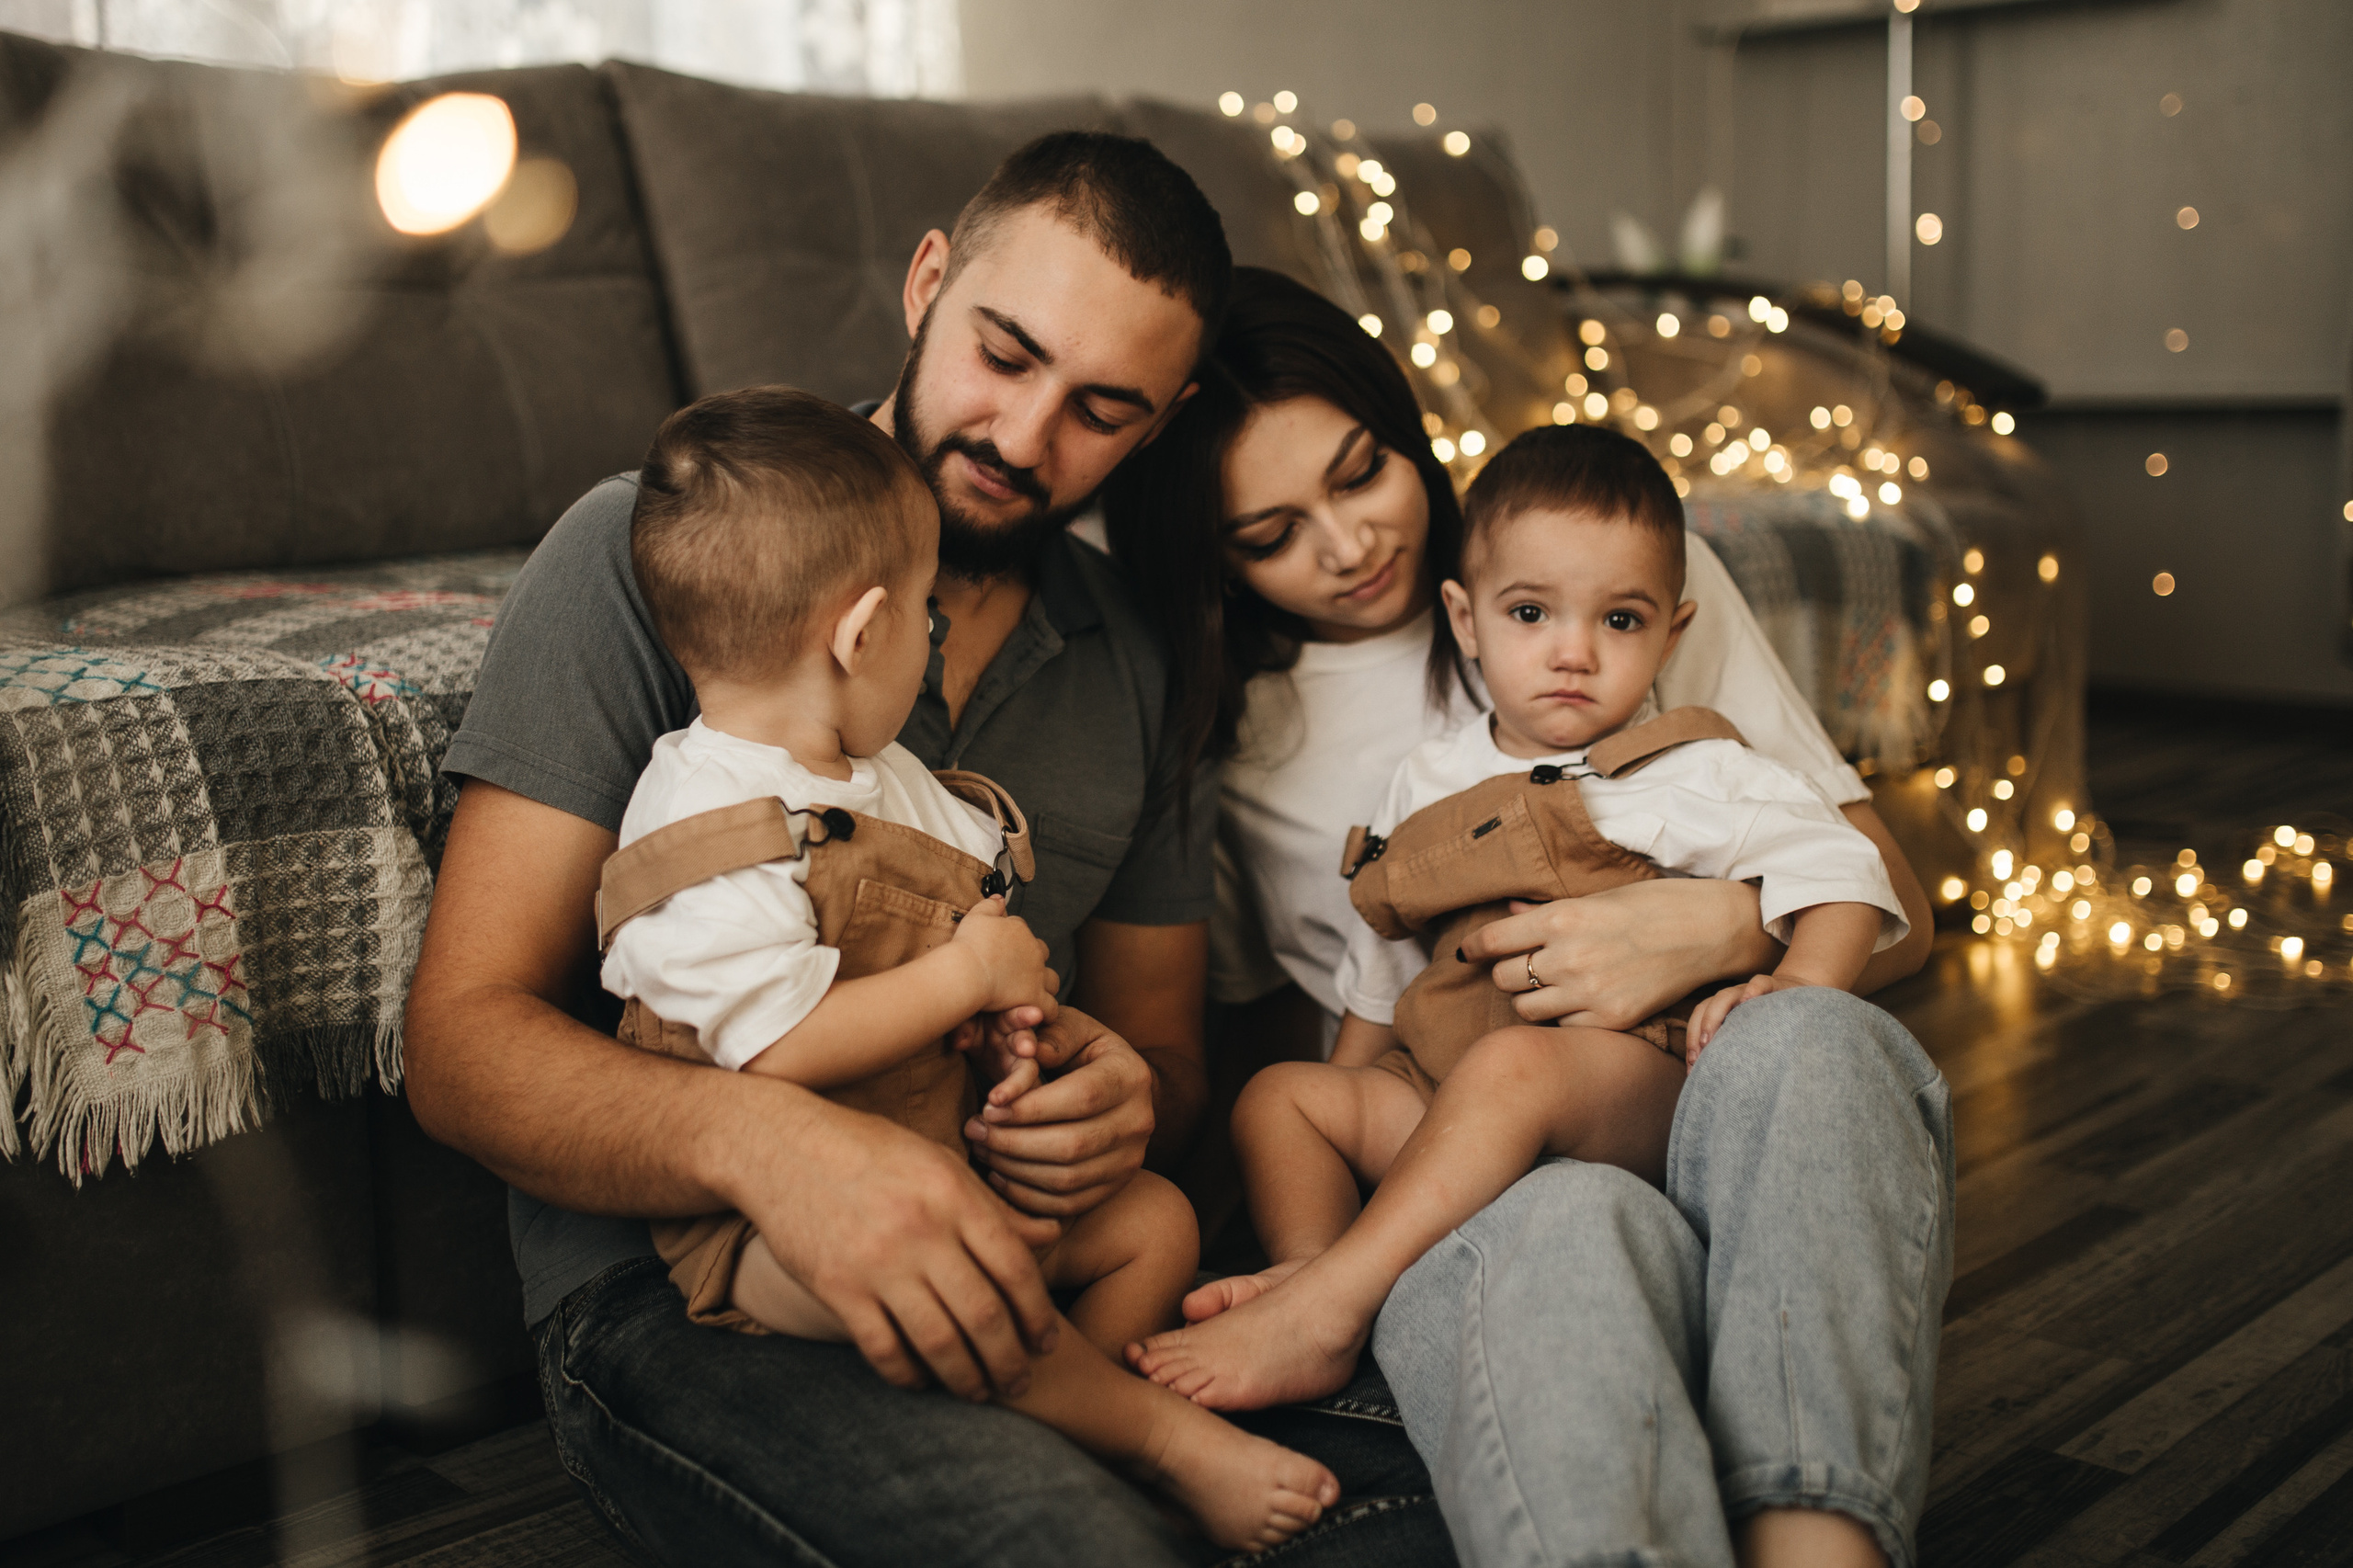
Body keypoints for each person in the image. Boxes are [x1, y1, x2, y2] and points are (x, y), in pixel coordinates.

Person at [404, 138, 1450, 1566]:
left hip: (1023, 1247)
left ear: (1167, 418)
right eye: (1003, 354)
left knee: (1428, 1518)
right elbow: (462, 1046)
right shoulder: (655, 550)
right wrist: (773, 1147)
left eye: (1100, 408)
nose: (1023, 438)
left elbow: (1162, 1053)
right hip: (694, 1293)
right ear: (927, 282)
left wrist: (1116, 1099)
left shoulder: (1136, 652)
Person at [1105, 268, 1952, 1568]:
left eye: (1362, 470)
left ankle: (1813, 1540)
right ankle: (1328, 1288)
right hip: (1460, 1180)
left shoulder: (1615, 580)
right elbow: (1344, 987)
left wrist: (1726, 935)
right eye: (1269, 534)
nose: (1348, 545)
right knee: (1388, 1136)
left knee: (1815, 1046)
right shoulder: (1232, 724)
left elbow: (1878, 894)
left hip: (1660, 1094)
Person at [596, 385, 1338, 1551]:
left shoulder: (891, 782)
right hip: (776, 1232)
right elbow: (771, 1048)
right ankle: (1151, 1433)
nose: (936, 637)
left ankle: (1068, 1404)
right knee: (961, 1277)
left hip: (946, 1154)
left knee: (1155, 1221)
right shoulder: (705, 815)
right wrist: (967, 978)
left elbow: (981, 951)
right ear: (862, 632)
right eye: (925, 610)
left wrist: (1033, 1034)